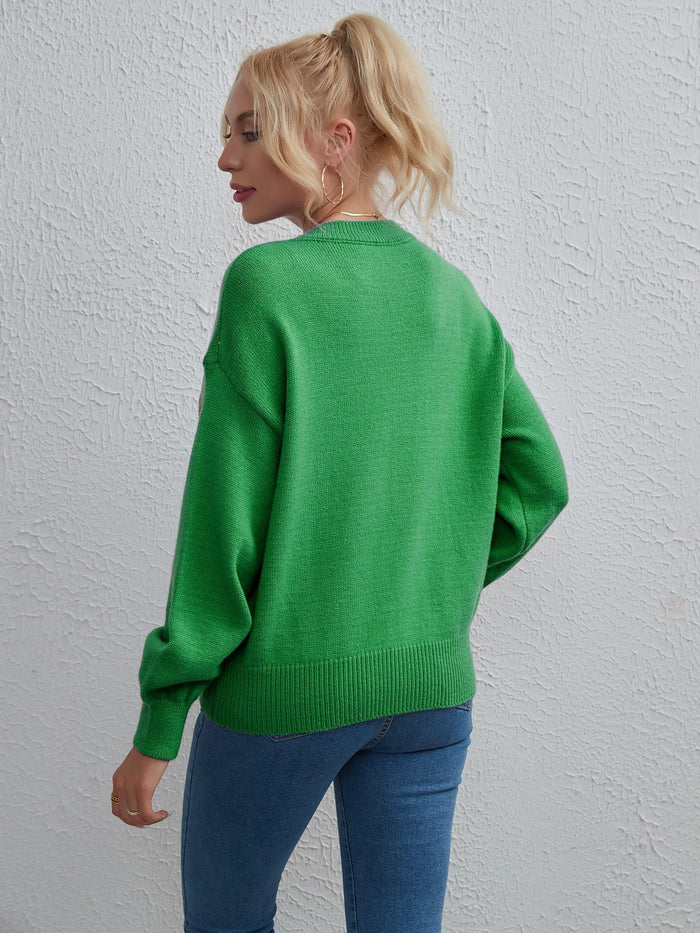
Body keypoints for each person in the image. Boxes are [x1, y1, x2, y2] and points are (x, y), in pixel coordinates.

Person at [111, 12, 569, 933]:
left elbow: (222, 526)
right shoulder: (453, 296)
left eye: (248, 131)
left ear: (335, 139)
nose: (226, 156)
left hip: (282, 693)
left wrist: (160, 722)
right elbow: (539, 483)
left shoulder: (267, 287)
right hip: (431, 692)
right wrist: (418, 583)